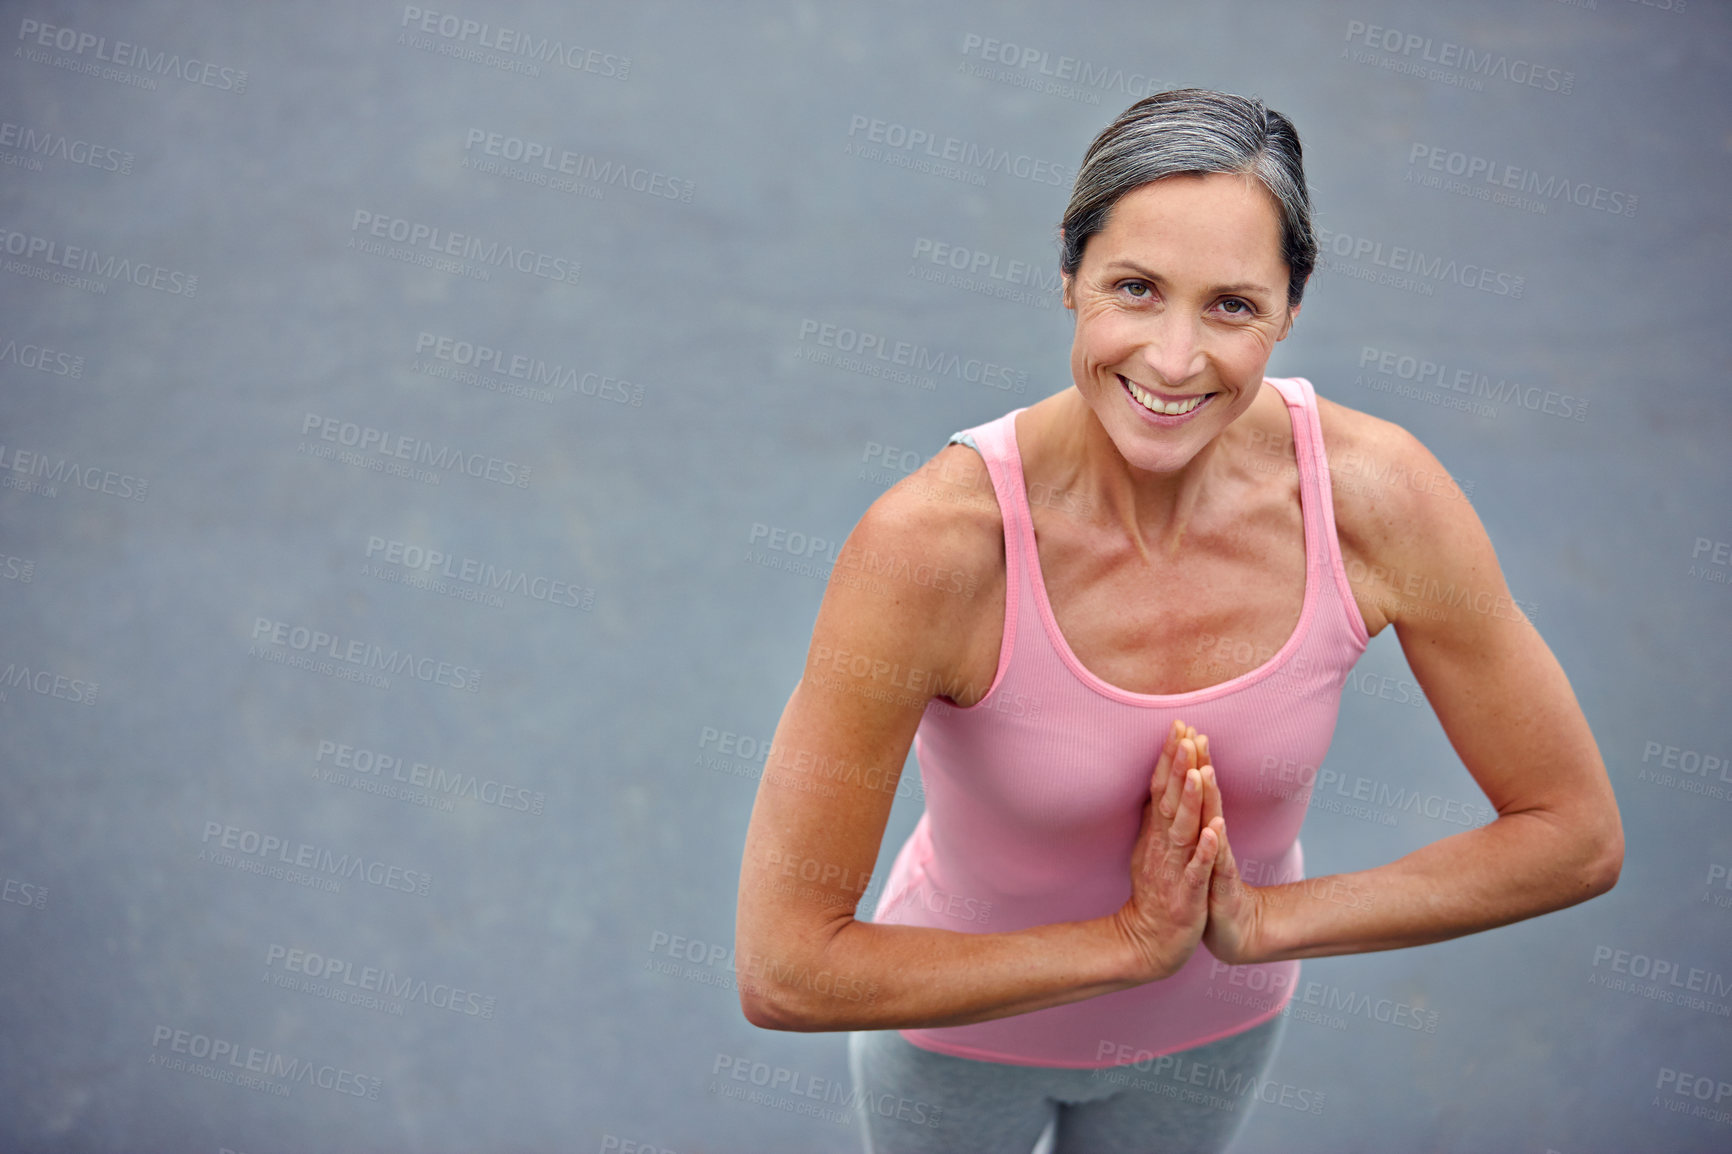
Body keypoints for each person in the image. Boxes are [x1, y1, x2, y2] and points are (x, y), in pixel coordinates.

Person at [733, 88, 1623, 1153]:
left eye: (1231, 306)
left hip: (1217, 1036)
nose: (1170, 358)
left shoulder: (1376, 496)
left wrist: (1259, 924)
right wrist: (1126, 943)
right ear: (1068, 277)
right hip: (954, 1047)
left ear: (1290, 309)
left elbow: (1573, 834)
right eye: (1136, 289)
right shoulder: (931, 548)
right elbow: (784, 968)